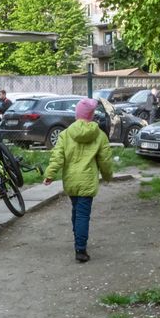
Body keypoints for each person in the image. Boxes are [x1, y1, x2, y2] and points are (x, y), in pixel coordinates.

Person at [42, 98, 114, 263]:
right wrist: (108, 175)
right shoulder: (100, 136)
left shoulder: (65, 135)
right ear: (92, 116)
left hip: (71, 181)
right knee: (83, 214)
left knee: (76, 210)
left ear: (77, 115)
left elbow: (57, 157)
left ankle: (78, 237)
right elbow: (105, 160)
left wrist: (50, 174)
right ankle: (80, 249)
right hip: (87, 181)